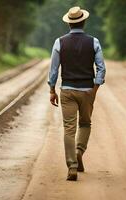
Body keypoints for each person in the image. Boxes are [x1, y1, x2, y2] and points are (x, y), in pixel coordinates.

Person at [48, 6, 106, 181]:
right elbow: (101, 68)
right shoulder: (94, 41)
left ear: (69, 24)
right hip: (87, 89)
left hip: (67, 90)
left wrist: (52, 89)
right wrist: (95, 89)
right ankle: (79, 151)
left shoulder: (59, 42)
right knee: (86, 124)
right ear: (84, 21)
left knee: (68, 129)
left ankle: (72, 166)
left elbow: (53, 70)